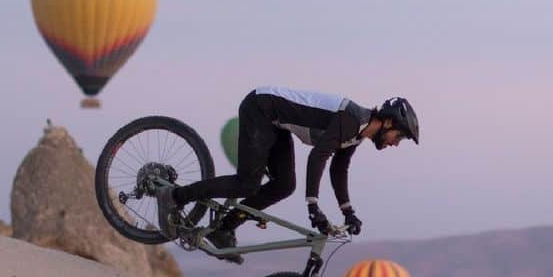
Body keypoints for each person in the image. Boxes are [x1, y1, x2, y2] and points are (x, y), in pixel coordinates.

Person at [156, 88, 418, 263]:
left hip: (277, 122)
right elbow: (318, 157)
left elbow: (339, 170)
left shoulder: (356, 135)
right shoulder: (351, 119)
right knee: (248, 183)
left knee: (284, 185)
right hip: (260, 108)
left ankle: (224, 229)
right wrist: (313, 205)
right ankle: (175, 195)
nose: (396, 143)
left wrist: (348, 210)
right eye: (400, 136)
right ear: (387, 122)